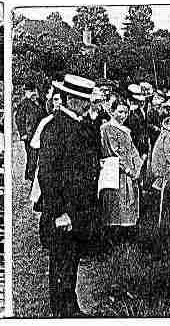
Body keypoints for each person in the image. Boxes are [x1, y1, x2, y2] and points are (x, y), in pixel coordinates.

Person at [38, 74, 101, 317]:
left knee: (71, 262)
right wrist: (59, 212)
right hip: (64, 213)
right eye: (85, 101)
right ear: (72, 100)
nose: (89, 105)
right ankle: (61, 314)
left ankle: (70, 307)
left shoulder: (80, 126)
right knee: (61, 263)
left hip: (79, 211)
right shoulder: (55, 128)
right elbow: (48, 177)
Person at [99, 97, 143, 230]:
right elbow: (115, 152)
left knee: (127, 204)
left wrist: (138, 165)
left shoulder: (126, 130)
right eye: (120, 112)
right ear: (112, 111)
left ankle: (126, 233)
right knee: (116, 203)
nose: (123, 115)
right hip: (115, 171)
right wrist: (129, 170)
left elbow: (132, 150)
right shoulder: (107, 128)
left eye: (125, 112)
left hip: (128, 172)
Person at [29, 86, 63, 209]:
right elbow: (35, 145)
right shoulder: (46, 122)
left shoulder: (74, 122)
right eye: (55, 99)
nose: (58, 103)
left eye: (60, 99)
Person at [15, 82, 47, 182]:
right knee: (31, 155)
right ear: (26, 92)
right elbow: (19, 118)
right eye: (30, 91)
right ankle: (30, 175)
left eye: (34, 91)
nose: (33, 93)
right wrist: (23, 133)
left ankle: (32, 174)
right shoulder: (24, 103)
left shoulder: (40, 102)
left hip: (39, 133)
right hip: (29, 135)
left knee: (37, 155)